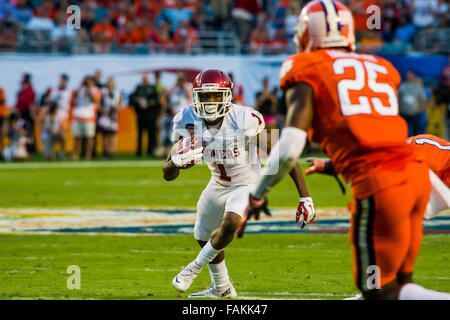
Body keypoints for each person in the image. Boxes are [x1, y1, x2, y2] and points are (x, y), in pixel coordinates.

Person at [241, 0, 450, 300]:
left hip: (380, 186)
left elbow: (288, 149)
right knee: (401, 287)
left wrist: (257, 194)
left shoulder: (304, 67)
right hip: (417, 179)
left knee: (378, 293)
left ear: (305, 33)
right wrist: (333, 164)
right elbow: (373, 137)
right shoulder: (382, 67)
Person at [162, 69, 314, 298]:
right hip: (217, 182)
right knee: (203, 236)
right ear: (195, 96)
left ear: (227, 97)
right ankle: (222, 288)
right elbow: (167, 175)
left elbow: (282, 154)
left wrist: (305, 196)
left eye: (215, 96)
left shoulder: (243, 118)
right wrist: (175, 161)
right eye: (205, 96)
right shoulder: (186, 118)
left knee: (231, 221)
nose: (210, 102)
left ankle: (193, 268)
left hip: (247, 183)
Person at [129, 72, 162, 157]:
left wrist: (148, 103)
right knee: (139, 133)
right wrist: (137, 100)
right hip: (140, 115)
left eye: (146, 78)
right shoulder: (138, 88)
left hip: (150, 115)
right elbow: (132, 98)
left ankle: (150, 151)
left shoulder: (152, 88)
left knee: (151, 134)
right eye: (143, 79)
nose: (144, 80)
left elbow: (157, 101)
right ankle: (139, 151)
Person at [71, 76, 101, 161]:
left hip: (89, 117)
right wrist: (80, 86)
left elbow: (95, 100)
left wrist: (88, 90)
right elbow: (73, 96)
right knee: (77, 137)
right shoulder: (81, 89)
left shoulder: (95, 90)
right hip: (77, 116)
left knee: (89, 138)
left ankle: (88, 156)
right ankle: (75, 155)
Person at [98, 77, 122, 159]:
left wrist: (116, 107)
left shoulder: (118, 93)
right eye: (109, 82)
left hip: (113, 117)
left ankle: (112, 152)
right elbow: (99, 104)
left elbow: (119, 106)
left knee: (112, 135)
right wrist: (102, 110)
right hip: (105, 117)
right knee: (105, 135)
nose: (110, 83)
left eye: (112, 82)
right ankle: (106, 152)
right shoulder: (103, 92)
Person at [398, 71, 427, 136]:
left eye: (410, 75)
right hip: (403, 113)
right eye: (408, 75)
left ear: (414, 76)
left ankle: (415, 144)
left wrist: (421, 108)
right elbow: (398, 97)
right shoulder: (402, 86)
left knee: (416, 131)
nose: (409, 76)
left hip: (415, 113)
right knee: (403, 131)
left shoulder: (418, 87)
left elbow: (423, 98)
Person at [15, 73, 36, 153]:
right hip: (22, 114)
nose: (21, 86)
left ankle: (30, 149)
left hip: (27, 114)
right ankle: (24, 148)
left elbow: (31, 105)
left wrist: (32, 116)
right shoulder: (22, 92)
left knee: (28, 132)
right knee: (23, 131)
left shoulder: (29, 92)